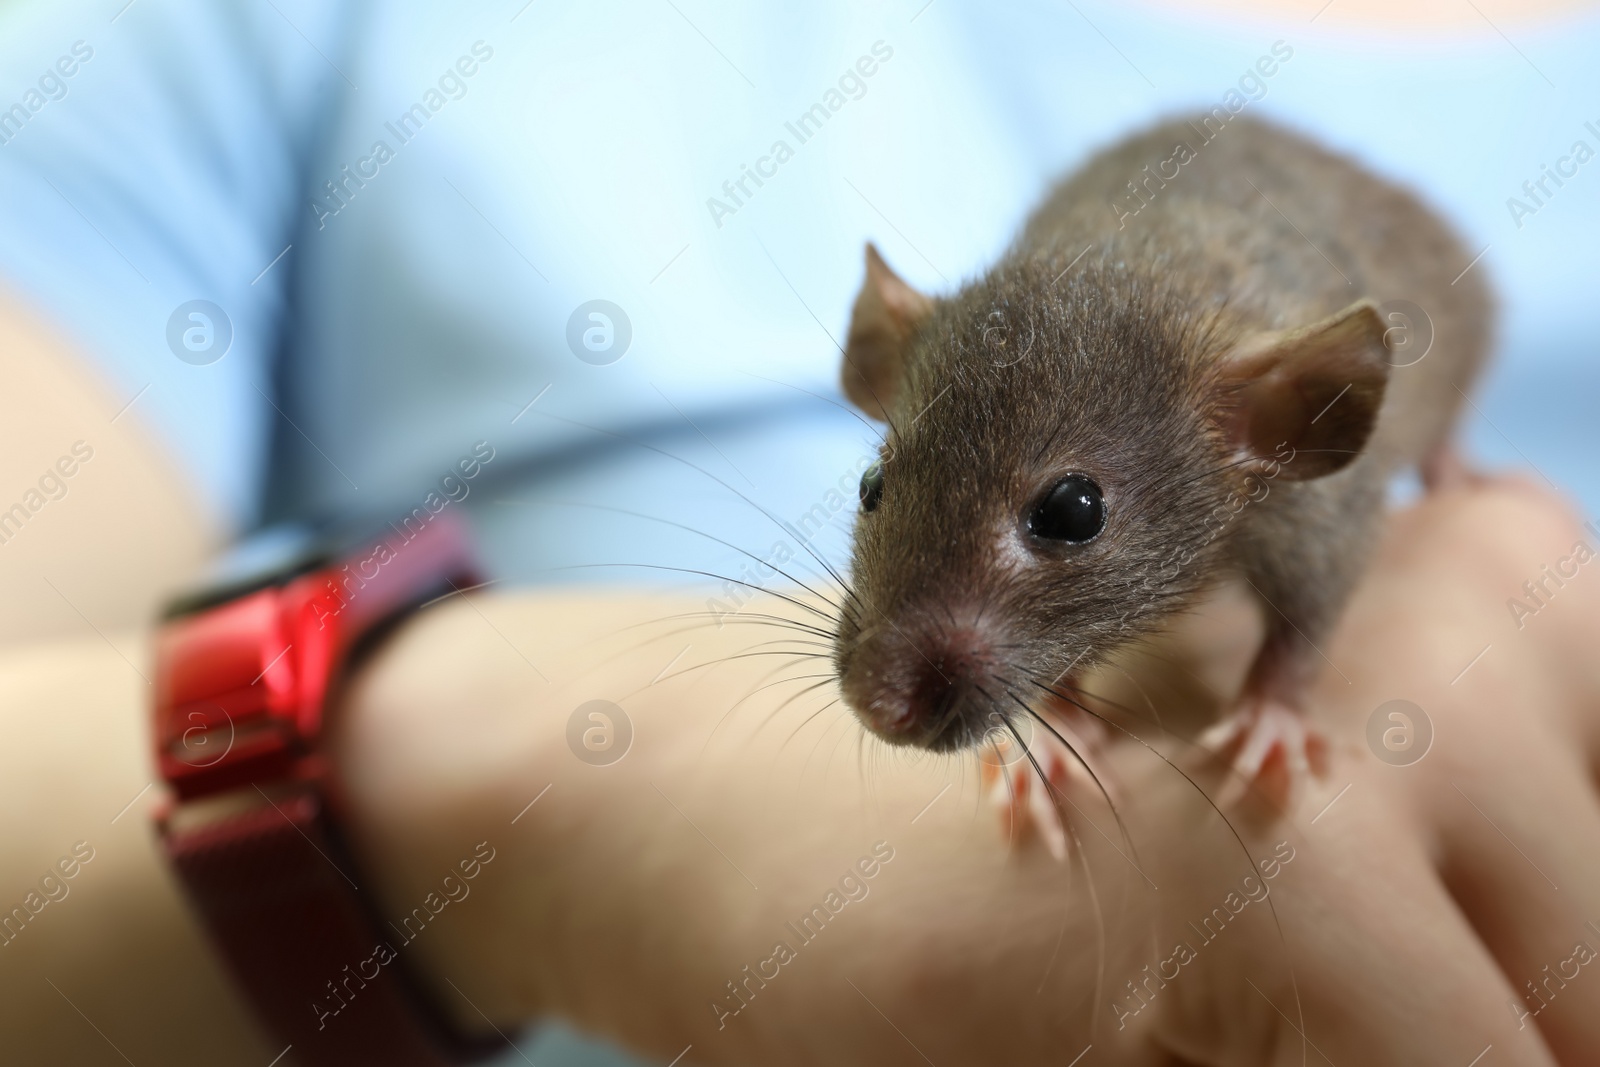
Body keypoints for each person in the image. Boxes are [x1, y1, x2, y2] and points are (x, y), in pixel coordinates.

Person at [1, 1, 1597, 1064]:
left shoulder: (1285, 433)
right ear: (884, 364)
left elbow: (1306, 559)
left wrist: (1282, 695)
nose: (892, 676)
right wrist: (520, 809)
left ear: (1287, 424)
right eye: (887, 492)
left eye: (1059, 521)